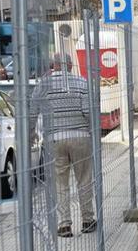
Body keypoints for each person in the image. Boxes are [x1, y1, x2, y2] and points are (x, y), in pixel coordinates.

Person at [30, 53, 96, 238]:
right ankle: (88, 220)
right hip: (80, 137)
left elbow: (32, 111)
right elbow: (87, 111)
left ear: (54, 66)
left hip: (54, 139)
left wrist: (31, 134)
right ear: (70, 66)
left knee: (60, 182)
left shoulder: (43, 85)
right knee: (84, 179)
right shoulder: (82, 82)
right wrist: (90, 131)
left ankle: (64, 224)